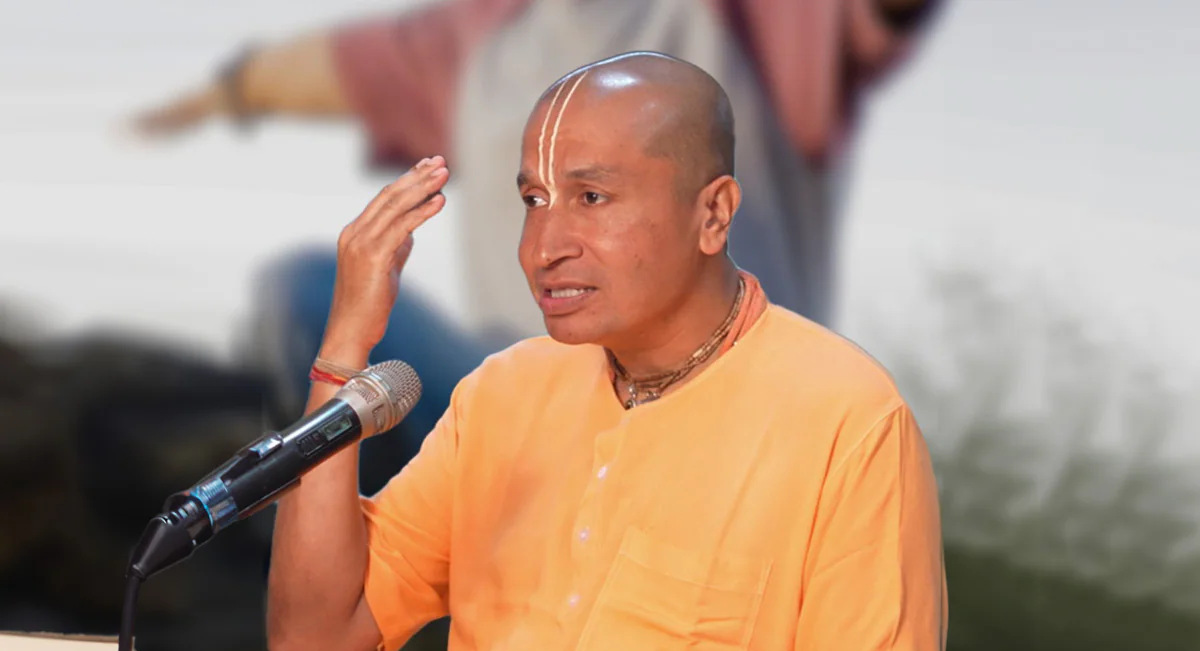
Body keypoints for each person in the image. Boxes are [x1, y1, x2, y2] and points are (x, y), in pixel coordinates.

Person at [265, 52, 948, 651]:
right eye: (534, 199)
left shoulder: (845, 416)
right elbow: (315, 632)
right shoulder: (504, 392)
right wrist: (343, 351)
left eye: (591, 197)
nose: (543, 247)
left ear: (714, 214)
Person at [134, 0, 944, 469]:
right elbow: (312, 71)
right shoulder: (474, 44)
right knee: (308, 291)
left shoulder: (768, 23)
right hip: (524, 424)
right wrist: (193, 105)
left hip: (721, 426)